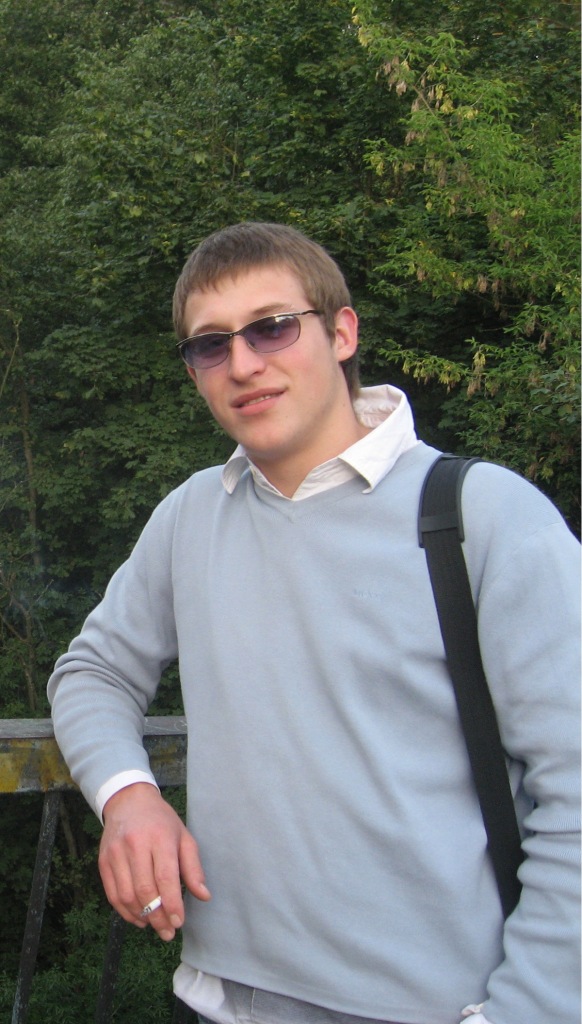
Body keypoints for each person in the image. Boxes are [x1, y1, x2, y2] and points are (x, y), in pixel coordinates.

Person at [48, 222, 581, 1024]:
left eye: (272, 327)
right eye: (211, 344)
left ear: (341, 333)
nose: (243, 364)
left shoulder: (483, 515)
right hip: (221, 999)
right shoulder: (192, 516)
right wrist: (127, 795)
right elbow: (94, 671)